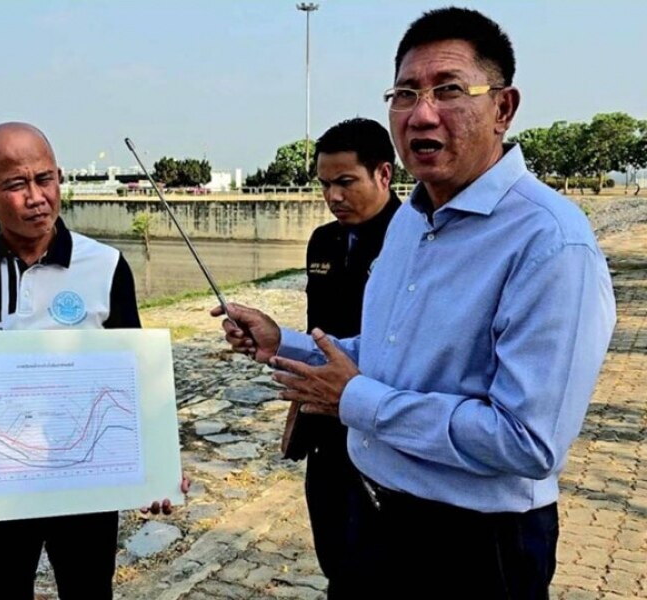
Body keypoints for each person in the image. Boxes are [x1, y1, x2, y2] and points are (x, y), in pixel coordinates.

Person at [215, 8, 615, 599]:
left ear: (503, 107)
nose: (421, 112)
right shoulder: (410, 221)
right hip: (373, 517)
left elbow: (527, 441)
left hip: (476, 547)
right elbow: (385, 355)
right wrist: (283, 343)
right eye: (405, 93)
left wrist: (357, 401)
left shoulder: (550, 243)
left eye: (448, 90)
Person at [0, 122, 187, 600]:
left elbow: (135, 375)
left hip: (86, 486)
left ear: (60, 178)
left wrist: (157, 468)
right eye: (15, 185)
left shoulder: (105, 265)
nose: (36, 197)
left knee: (89, 589)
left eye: (45, 179)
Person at [280, 118, 400, 598]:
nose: (334, 197)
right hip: (325, 429)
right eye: (326, 185)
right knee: (335, 556)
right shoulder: (323, 242)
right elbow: (319, 334)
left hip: (382, 425)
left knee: (379, 567)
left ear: (383, 175)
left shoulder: (410, 242)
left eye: (346, 182)